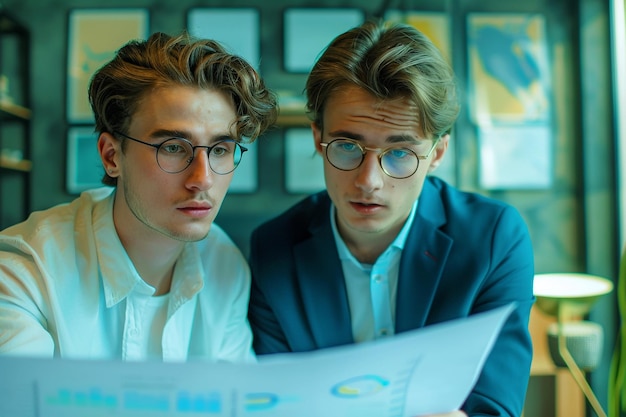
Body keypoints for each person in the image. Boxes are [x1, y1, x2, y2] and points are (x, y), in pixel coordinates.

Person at [248, 20, 534, 417]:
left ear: (436, 154)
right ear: (318, 138)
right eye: (347, 146)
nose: (369, 182)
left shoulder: (494, 239)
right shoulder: (273, 248)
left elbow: (494, 407)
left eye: (400, 153)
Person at [0, 32, 277, 361]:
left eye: (220, 149)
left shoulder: (223, 263)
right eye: (172, 148)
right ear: (112, 156)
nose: (202, 179)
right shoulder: (26, 271)